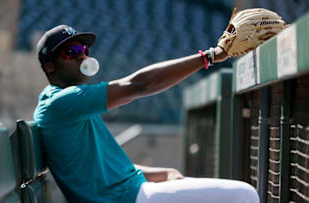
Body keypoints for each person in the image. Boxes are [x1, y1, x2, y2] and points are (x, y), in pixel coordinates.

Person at [33, 25, 259, 203]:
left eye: (83, 50)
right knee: (243, 195)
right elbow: (139, 85)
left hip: (131, 194)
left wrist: (161, 173)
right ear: (50, 66)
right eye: (71, 52)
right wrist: (210, 56)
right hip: (126, 199)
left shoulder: (68, 103)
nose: (82, 57)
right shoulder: (62, 102)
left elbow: (109, 169)